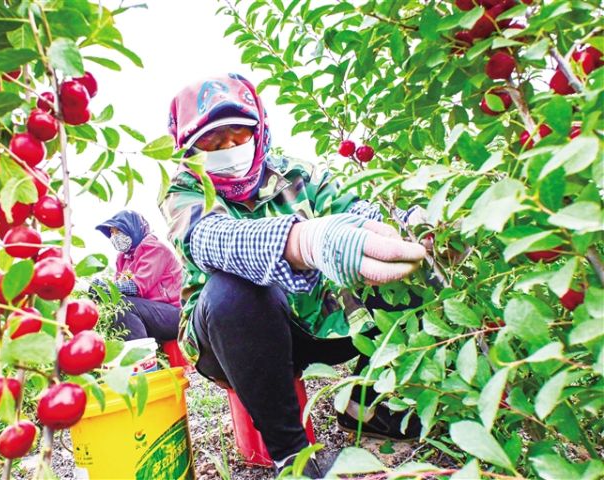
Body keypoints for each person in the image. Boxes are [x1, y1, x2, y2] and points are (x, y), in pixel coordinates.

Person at [161, 74, 427, 476]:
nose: (229, 148)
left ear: (258, 129)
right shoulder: (185, 192)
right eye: (212, 141)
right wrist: (302, 241)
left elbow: (358, 210)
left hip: (315, 322)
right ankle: (292, 456)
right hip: (232, 339)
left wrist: (409, 226)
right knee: (235, 288)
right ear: (190, 149)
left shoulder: (299, 174)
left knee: (401, 265)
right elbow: (210, 239)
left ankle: (368, 406)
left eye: (238, 134)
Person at [92, 210, 183, 343]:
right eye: (112, 233)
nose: (114, 236)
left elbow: (137, 287)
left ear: (132, 228)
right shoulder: (122, 259)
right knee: (113, 308)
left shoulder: (154, 248)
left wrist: (105, 288)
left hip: (174, 314)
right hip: (151, 314)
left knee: (122, 305)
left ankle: (140, 354)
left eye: (118, 231)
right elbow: (117, 292)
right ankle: (131, 352)